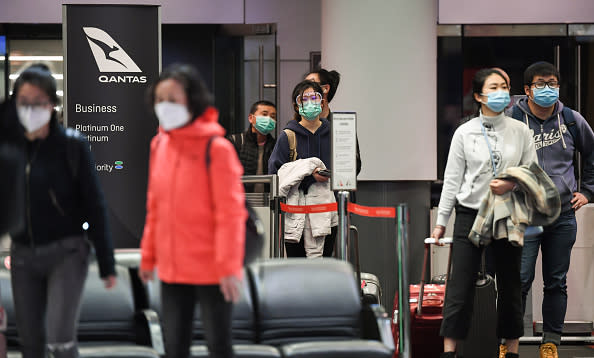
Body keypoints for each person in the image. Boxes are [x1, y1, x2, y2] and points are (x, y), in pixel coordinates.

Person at [7, 64, 116, 358]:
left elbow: (95, 204)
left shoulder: (71, 145)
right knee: (31, 343)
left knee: (60, 339)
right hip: (22, 256)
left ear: (52, 105)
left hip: (66, 252)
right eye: (23, 103)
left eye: (38, 103)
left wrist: (107, 262)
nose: (30, 110)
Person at [139, 63, 247, 358]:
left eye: (172, 99)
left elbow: (230, 213)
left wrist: (228, 268)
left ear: (193, 100)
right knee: (174, 348)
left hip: (213, 269)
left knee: (219, 346)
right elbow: (155, 206)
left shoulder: (217, 148)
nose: (164, 106)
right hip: (172, 270)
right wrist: (148, 256)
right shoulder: (158, 145)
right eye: (160, 100)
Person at [432, 68, 537, 358]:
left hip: (508, 213)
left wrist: (512, 182)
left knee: (510, 285)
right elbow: (452, 180)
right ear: (478, 96)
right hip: (470, 213)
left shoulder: (521, 131)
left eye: (504, 86)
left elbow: (533, 173)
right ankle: (449, 352)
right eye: (494, 87)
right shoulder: (464, 132)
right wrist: (441, 222)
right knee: (459, 285)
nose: (501, 92)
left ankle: (512, 350)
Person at [507, 61, 594, 358]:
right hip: (524, 213)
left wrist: (587, 191)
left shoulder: (571, 119)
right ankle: (508, 343)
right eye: (541, 84)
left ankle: (550, 343)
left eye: (552, 84)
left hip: (563, 214)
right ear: (528, 90)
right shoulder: (512, 119)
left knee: (556, 281)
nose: (548, 89)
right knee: (519, 279)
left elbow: (592, 153)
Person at [268, 80, 337, 258]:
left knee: (325, 263)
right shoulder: (288, 136)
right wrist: (310, 177)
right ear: (297, 105)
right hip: (296, 214)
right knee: (297, 266)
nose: (310, 102)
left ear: (322, 102)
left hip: (328, 212)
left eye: (314, 97)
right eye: (304, 99)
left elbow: (348, 167)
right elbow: (276, 175)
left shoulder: (334, 133)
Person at [305, 68, 362, 175]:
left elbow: (354, 166)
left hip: (335, 187)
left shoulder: (341, 125)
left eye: (311, 83)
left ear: (325, 88)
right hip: (304, 190)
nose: (305, 88)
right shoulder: (297, 125)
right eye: (303, 84)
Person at [227, 100, 277, 192]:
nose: (269, 119)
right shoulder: (235, 141)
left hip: (268, 201)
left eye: (273, 116)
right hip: (242, 200)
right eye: (264, 114)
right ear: (251, 118)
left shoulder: (275, 146)